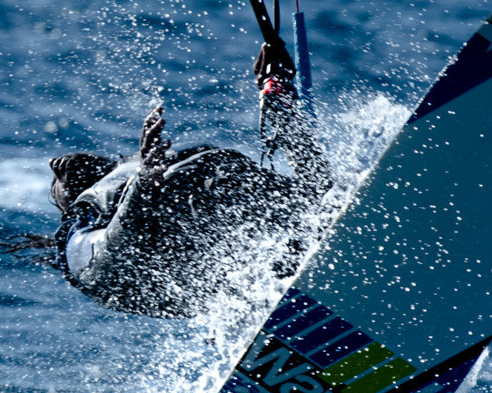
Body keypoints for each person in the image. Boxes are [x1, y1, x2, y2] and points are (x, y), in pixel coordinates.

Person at [33, 49, 333, 318]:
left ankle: (319, 229)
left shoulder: (150, 170)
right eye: (55, 185)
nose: (53, 164)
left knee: (312, 195)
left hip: (264, 244)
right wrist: (145, 182)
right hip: (197, 273)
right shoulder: (77, 241)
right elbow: (109, 260)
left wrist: (277, 93)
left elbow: (308, 191)